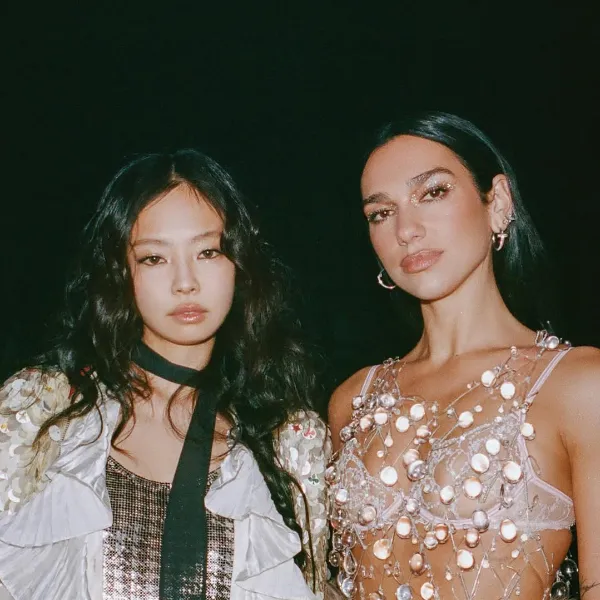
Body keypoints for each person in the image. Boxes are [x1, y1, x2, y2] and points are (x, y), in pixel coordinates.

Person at [0, 149, 331, 600]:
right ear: (120, 271)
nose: (185, 282)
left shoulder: (291, 441)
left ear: (240, 263)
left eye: (208, 252)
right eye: (154, 258)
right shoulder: (41, 409)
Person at [327, 111, 600, 600]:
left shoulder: (578, 384)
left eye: (433, 192)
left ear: (498, 203)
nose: (406, 230)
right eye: (381, 213)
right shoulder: (352, 400)